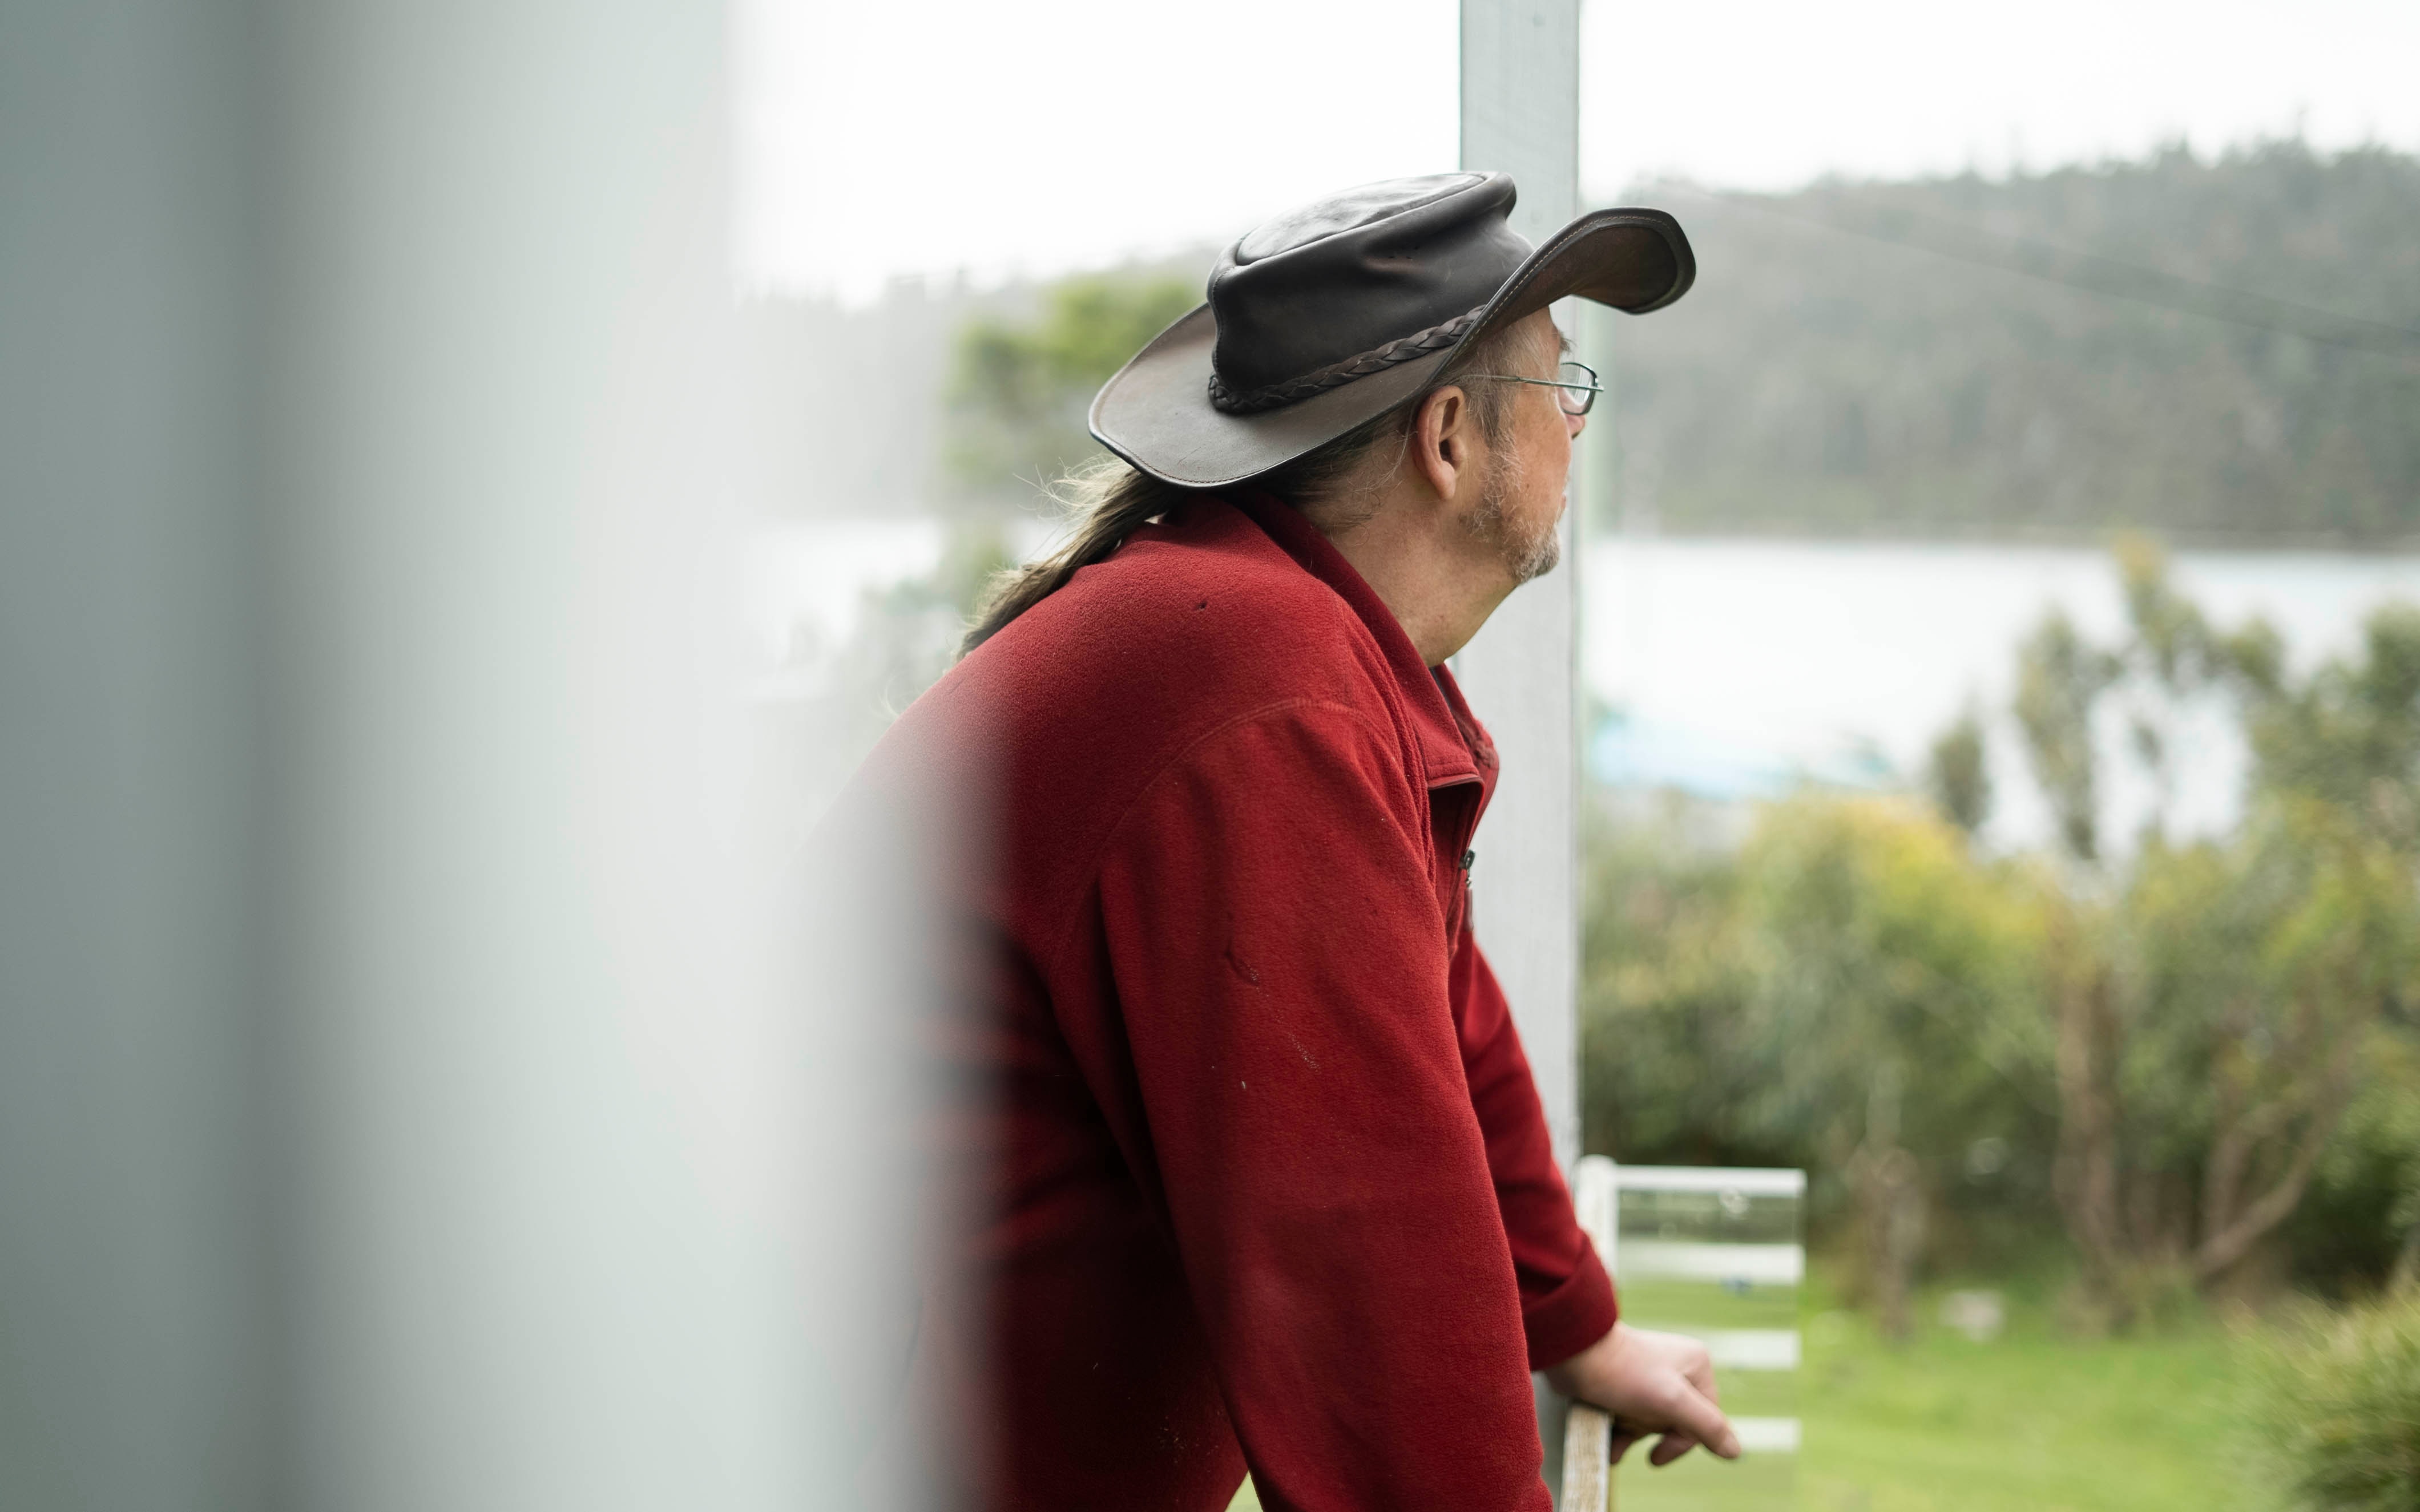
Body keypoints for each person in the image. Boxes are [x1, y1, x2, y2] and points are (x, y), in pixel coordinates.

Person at [838, 173, 1737, 1511]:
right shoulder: (1258, 693)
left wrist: (1576, 1326)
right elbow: (1369, 1279)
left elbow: (1443, 1028)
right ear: (1449, 438)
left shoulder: (1298, 652)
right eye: (1562, 383)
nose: (1574, 425)